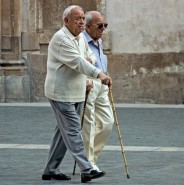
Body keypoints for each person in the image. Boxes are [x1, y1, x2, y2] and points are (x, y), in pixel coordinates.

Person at [42, 5, 111, 183]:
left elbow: (90, 56)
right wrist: (98, 73)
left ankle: (50, 169)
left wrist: (88, 62)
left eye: (82, 18)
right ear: (66, 21)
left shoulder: (80, 37)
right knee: (73, 130)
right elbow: (78, 61)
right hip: (60, 92)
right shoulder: (60, 39)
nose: (81, 21)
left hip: (78, 90)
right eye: (77, 18)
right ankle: (87, 168)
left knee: (63, 132)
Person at [81, 11, 114, 174]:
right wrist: (83, 80)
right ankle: (88, 164)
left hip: (101, 84)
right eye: (99, 26)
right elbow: (78, 64)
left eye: (105, 25)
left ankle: (90, 159)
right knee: (88, 124)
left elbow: (101, 61)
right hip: (88, 84)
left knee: (108, 123)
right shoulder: (81, 41)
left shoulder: (99, 41)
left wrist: (106, 75)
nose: (103, 29)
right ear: (87, 26)